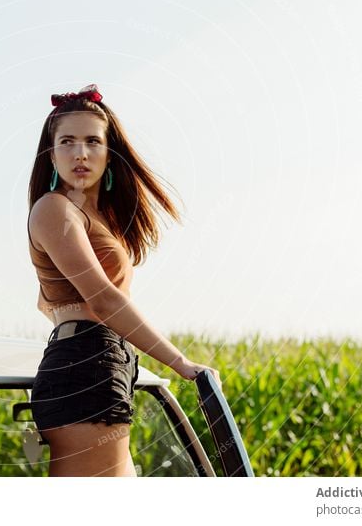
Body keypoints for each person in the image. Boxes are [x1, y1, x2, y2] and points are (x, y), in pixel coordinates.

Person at [27, 83, 222, 477]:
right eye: (67, 141)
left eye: (92, 142)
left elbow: (46, 302)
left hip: (102, 359)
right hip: (86, 365)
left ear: (108, 152)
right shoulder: (54, 209)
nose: (80, 153)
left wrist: (76, 324)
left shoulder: (99, 219)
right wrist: (182, 364)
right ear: (51, 154)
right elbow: (104, 300)